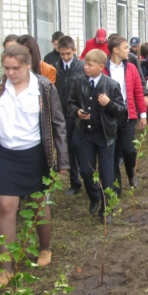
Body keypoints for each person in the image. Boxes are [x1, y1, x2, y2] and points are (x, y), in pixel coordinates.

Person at [0, 43, 69, 285]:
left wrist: (62, 159)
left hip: (34, 154)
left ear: (27, 65)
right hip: (6, 155)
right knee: (6, 207)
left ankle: (44, 247)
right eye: (7, 68)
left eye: (15, 68)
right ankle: (7, 268)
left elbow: (58, 124)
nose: (10, 73)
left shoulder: (43, 87)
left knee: (39, 202)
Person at [68, 49, 126, 224]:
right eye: (85, 63)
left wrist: (108, 104)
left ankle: (106, 208)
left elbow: (122, 110)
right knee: (86, 170)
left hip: (105, 135)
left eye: (90, 65)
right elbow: (70, 103)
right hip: (85, 133)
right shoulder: (78, 82)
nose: (85, 67)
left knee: (106, 172)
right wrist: (77, 112)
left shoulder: (112, 85)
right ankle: (94, 196)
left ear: (101, 67)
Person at [104, 36, 148, 194]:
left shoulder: (131, 68)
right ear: (115, 50)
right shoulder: (104, 69)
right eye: (125, 47)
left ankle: (131, 173)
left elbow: (138, 92)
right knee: (113, 152)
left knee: (130, 150)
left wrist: (143, 114)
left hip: (127, 116)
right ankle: (116, 186)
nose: (128, 50)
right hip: (109, 117)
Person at [54, 36, 86, 196]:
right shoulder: (55, 68)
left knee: (78, 145)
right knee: (68, 149)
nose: (65, 57)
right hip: (62, 115)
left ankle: (88, 175)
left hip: (78, 114)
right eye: (62, 54)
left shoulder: (81, 67)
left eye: (68, 54)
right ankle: (75, 182)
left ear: (74, 50)